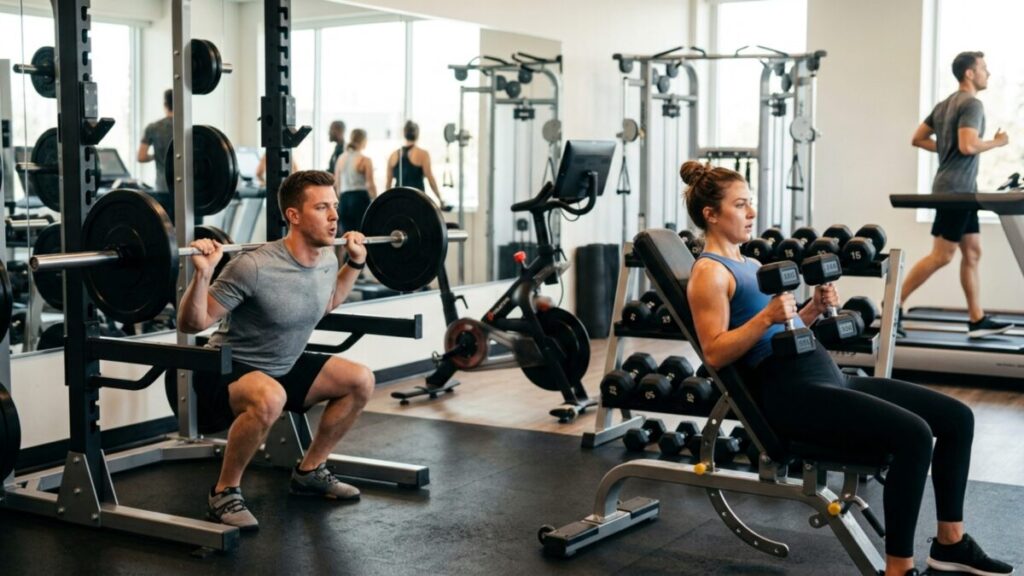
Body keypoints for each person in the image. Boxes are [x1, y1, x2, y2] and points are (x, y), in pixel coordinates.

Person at [680, 160, 1013, 576]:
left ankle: (951, 544)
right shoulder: (709, 273)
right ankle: (899, 568)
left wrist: (811, 310)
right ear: (711, 214)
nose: (752, 212)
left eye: (750, 203)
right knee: (914, 436)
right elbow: (714, 353)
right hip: (793, 392)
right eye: (740, 205)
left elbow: (778, 331)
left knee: (957, 418)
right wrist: (766, 317)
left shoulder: (748, 263)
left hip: (827, 378)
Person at [178, 170, 374, 530]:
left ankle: (310, 471)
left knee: (360, 380)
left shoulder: (328, 258)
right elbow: (193, 323)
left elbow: (328, 301)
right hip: (225, 369)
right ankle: (223, 492)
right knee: (271, 397)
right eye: (322, 208)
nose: (334, 216)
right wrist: (203, 273)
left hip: (283, 365)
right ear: (293, 216)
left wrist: (355, 263)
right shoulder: (253, 266)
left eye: (334, 206)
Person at [906, 51, 1012, 338]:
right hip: (955, 190)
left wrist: (946, 147)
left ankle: (976, 319)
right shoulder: (972, 104)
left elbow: (918, 138)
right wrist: (998, 142)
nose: (988, 73)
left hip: (962, 189)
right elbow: (968, 146)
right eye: (984, 68)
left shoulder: (944, 105)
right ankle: (893, 305)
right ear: (969, 73)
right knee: (941, 256)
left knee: (973, 252)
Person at [387, 120, 449, 209]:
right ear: (417, 134)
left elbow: (388, 184)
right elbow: (431, 179)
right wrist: (440, 200)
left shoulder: (393, 155)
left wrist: (388, 204)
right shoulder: (423, 154)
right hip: (417, 200)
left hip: (399, 201)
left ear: (404, 133)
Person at [333, 128, 377, 234]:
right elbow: (370, 184)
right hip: (359, 199)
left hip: (344, 200)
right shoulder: (364, 160)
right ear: (363, 141)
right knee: (362, 234)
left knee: (347, 236)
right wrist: (376, 200)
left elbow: (337, 184)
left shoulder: (341, 158)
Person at [137, 89, 174, 192]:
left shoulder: (153, 128)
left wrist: (155, 156)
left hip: (162, 187)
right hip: (184, 188)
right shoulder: (186, 127)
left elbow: (141, 157)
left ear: (165, 105)